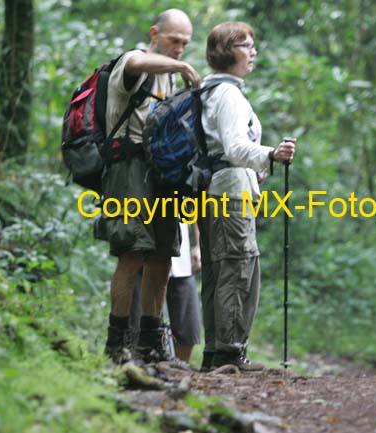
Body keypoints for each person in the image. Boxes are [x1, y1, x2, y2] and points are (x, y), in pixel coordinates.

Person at [97, 9, 201, 364]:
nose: (180, 49)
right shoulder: (134, 62)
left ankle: (150, 343)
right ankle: (117, 346)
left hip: (162, 174)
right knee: (132, 254)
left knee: (162, 258)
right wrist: (180, 67)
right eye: (174, 40)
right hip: (129, 168)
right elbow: (138, 63)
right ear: (155, 33)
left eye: (185, 44)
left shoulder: (168, 79)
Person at [198, 22, 296, 372]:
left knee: (218, 271)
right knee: (238, 268)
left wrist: (258, 164)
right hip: (229, 193)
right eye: (245, 45)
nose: (252, 52)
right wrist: (272, 153)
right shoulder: (228, 94)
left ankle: (215, 353)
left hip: (215, 190)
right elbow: (235, 147)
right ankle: (229, 355)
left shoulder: (210, 91)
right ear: (227, 52)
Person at [129, 222, 203, 364]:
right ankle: (141, 368)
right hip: (144, 254)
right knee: (138, 327)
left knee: (188, 329)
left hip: (182, 260)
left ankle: (179, 371)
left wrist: (199, 246)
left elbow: (195, 205)